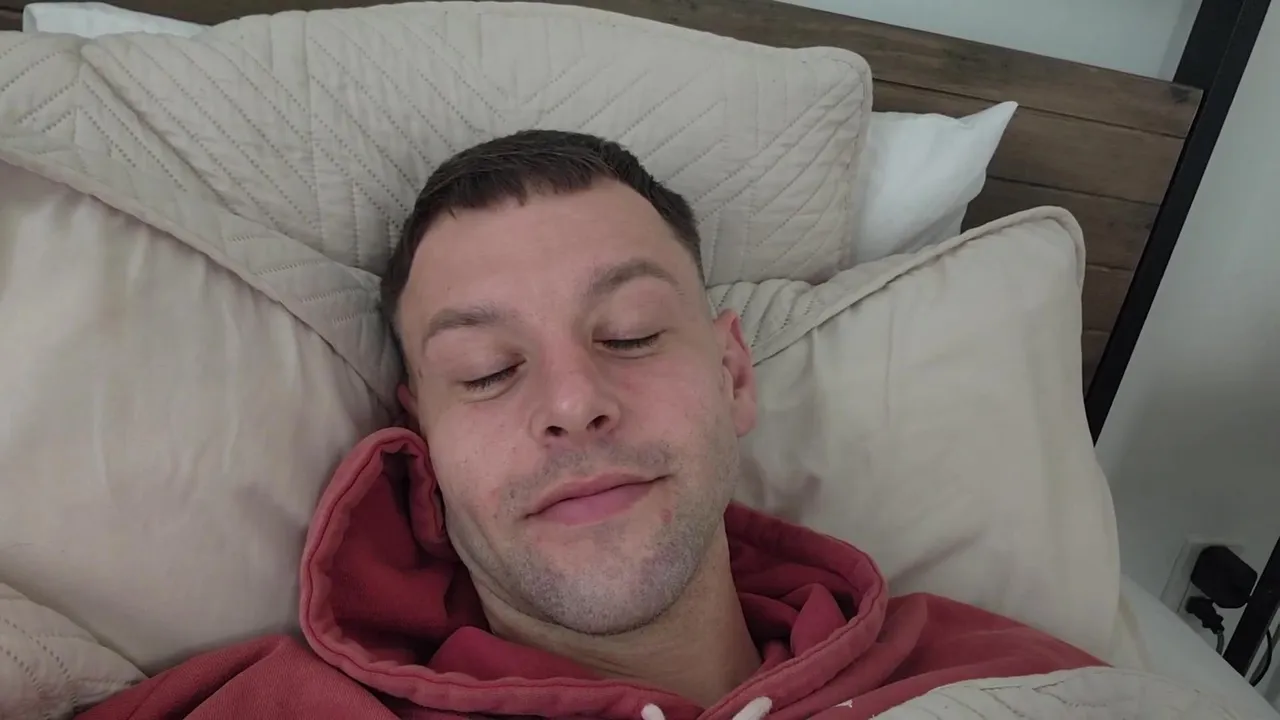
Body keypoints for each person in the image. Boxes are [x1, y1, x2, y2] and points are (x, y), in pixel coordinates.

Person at [79, 130, 1102, 720]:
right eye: (486, 372)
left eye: (629, 333)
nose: (572, 403)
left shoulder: (1004, 680)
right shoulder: (267, 709)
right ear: (424, 447)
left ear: (733, 374)